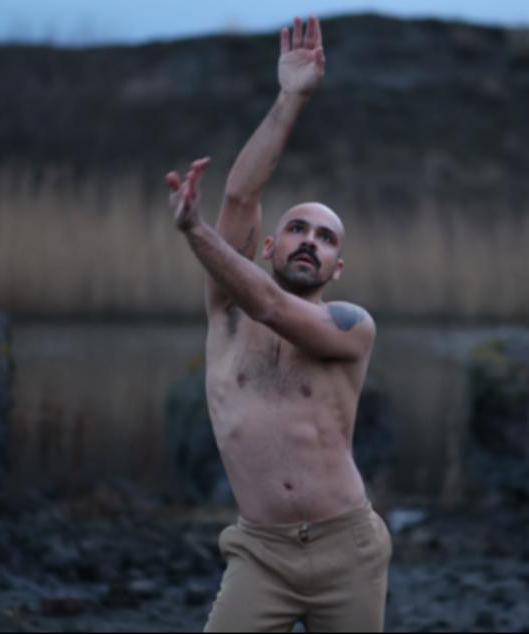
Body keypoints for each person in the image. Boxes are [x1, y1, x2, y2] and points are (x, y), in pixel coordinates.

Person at [164, 16, 392, 633]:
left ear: (336, 267)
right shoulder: (226, 311)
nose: (309, 242)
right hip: (260, 554)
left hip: (350, 550)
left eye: (325, 238)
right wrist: (290, 98)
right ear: (267, 246)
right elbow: (239, 198)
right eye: (297, 228)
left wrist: (194, 234)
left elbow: (273, 307)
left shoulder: (351, 326)